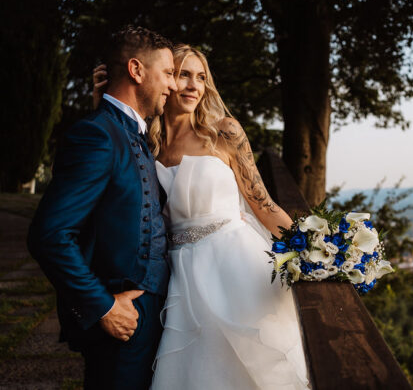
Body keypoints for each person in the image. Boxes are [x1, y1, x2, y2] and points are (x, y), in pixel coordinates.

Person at [93, 43, 310, 389]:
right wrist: (101, 103)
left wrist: (315, 250)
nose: (195, 86)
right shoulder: (145, 145)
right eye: (182, 75)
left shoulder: (224, 133)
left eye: (201, 77)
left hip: (236, 266)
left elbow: (264, 205)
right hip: (178, 275)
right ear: (165, 80)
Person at [28, 25, 178, 390]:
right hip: (122, 318)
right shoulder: (97, 134)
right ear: (136, 70)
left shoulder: (134, 133)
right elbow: (50, 235)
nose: (173, 86)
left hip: (151, 313)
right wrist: (103, 306)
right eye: (169, 73)